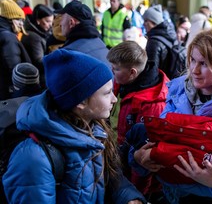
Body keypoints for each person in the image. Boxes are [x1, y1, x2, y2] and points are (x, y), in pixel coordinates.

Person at [128, 28, 212, 203]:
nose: (194, 70)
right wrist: (138, 158)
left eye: (204, 63)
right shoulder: (178, 90)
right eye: (192, 60)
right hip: (175, 194)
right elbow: (160, 135)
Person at [2, 49, 146, 204]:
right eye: (107, 93)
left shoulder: (93, 127)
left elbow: (108, 175)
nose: (114, 99)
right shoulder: (34, 157)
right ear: (81, 101)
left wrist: (128, 197)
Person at [107, 41, 169, 203]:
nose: (112, 71)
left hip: (134, 177)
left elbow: (145, 160)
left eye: (116, 69)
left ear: (133, 72)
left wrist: (135, 193)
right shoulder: (123, 82)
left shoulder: (153, 106)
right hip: (118, 157)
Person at [55, 0, 110, 66]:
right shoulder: (101, 44)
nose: (60, 24)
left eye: (62, 19)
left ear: (71, 22)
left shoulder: (69, 54)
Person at [0, 0, 31, 100]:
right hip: (10, 93)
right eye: (18, 19)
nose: (21, 23)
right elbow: (14, 68)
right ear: (10, 19)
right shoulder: (8, 37)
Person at [21, 4, 54, 88]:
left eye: (51, 21)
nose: (50, 25)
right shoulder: (34, 37)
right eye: (47, 21)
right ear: (38, 20)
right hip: (39, 79)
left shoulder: (37, 32)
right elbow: (39, 61)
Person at [142, 4, 178, 79]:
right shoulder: (170, 34)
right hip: (170, 79)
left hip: (161, 82)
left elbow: (152, 71)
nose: (143, 24)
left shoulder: (154, 42)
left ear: (153, 22)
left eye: (146, 21)